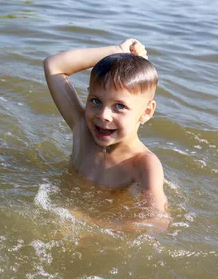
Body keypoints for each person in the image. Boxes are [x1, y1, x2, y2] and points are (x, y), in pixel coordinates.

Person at [43, 39, 169, 231]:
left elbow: (157, 222)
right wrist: (116, 50)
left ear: (147, 112)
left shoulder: (143, 164)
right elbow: (53, 65)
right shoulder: (82, 129)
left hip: (98, 231)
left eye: (120, 106)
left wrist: (87, 223)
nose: (103, 115)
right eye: (95, 101)